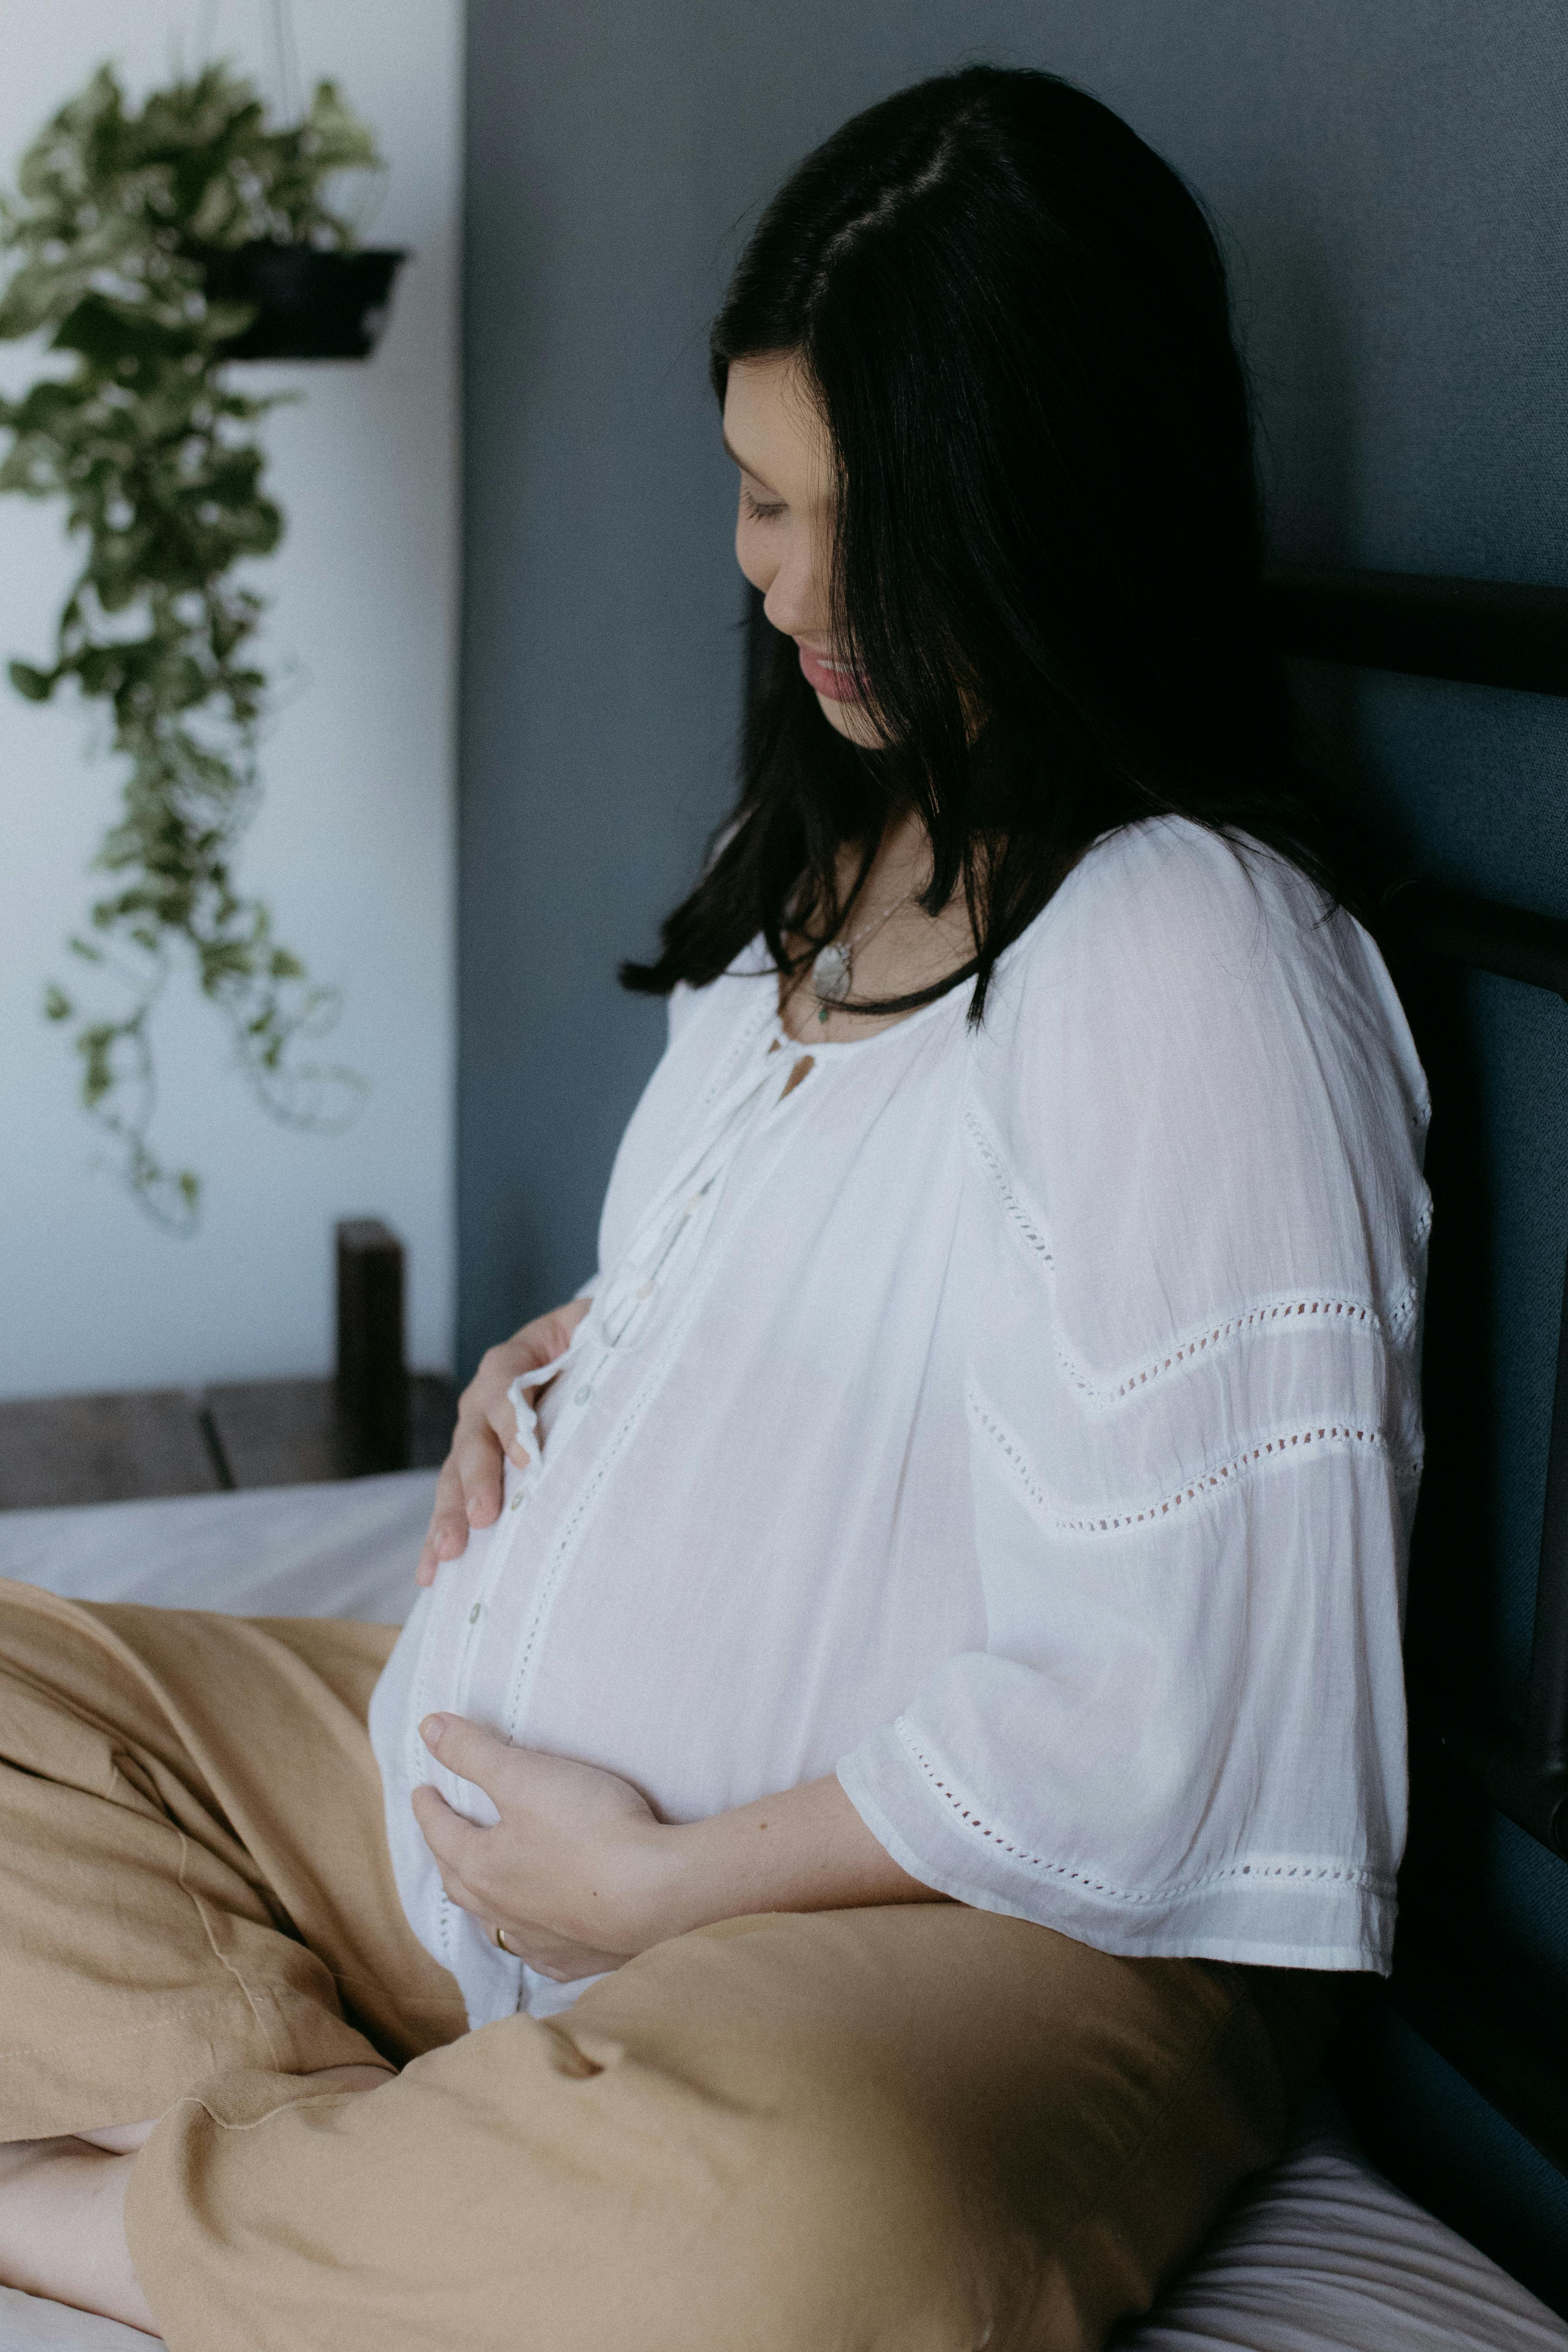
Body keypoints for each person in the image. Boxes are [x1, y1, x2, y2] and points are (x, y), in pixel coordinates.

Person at [0, 63, 1428, 2350]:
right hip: (482, 1856)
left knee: (806, 2220)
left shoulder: (1188, 946)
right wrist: (559, 1370)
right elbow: (863, 1320)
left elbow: (1170, 1702)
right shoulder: (841, 854)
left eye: (860, 519)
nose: (786, 583)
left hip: (933, 1947)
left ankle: (137, 2212)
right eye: (759, 498)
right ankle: (428, 2171)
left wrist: (656, 1885)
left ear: (1045, 513)